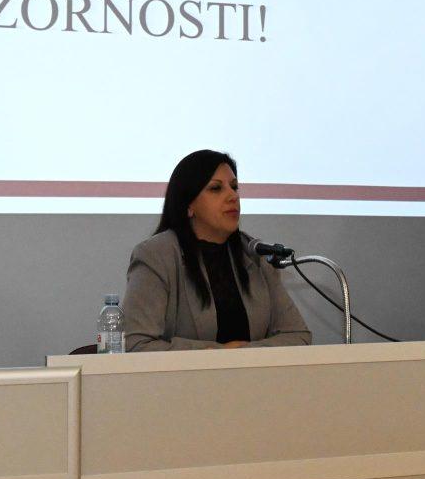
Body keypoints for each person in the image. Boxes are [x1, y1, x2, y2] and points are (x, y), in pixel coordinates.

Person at [123, 149, 311, 350]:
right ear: (188, 205)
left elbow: (297, 336)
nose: (233, 196)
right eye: (216, 188)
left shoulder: (254, 254)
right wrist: (217, 354)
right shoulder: (156, 256)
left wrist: (244, 352)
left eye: (234, 187)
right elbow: (137, 344)